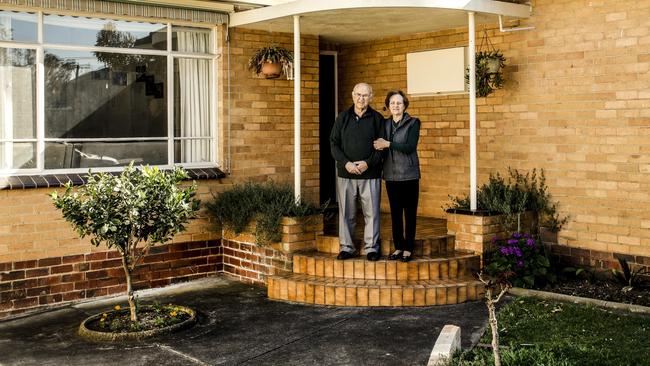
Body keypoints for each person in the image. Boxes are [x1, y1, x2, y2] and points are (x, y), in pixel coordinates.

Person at [330, 83, 384, 261]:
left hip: (371, 174)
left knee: (372, 213)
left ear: (371, 96)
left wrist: (368, 164)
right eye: (359, 95)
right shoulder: (343, 118)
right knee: (347, 213)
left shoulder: (377, 119)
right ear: (353, 95)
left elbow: (382, 147)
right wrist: (346, 163)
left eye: (365, 95)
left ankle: (372, 248)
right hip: (346, 174)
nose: (361, 99)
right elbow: (334, 144)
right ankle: (346, 247)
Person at [373, 90, 420, 262]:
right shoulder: (384, 124)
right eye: (392, 103)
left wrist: (388, 144)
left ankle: (408, 248)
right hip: (391, 176)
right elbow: (378, 144)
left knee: (410, 213)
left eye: (399, 103)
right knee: (395, 213)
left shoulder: (413, 122)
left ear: (404, 105)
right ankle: (398, 247)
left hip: (409, 175)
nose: (395, 106)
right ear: (388, 106)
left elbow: (410, 147)